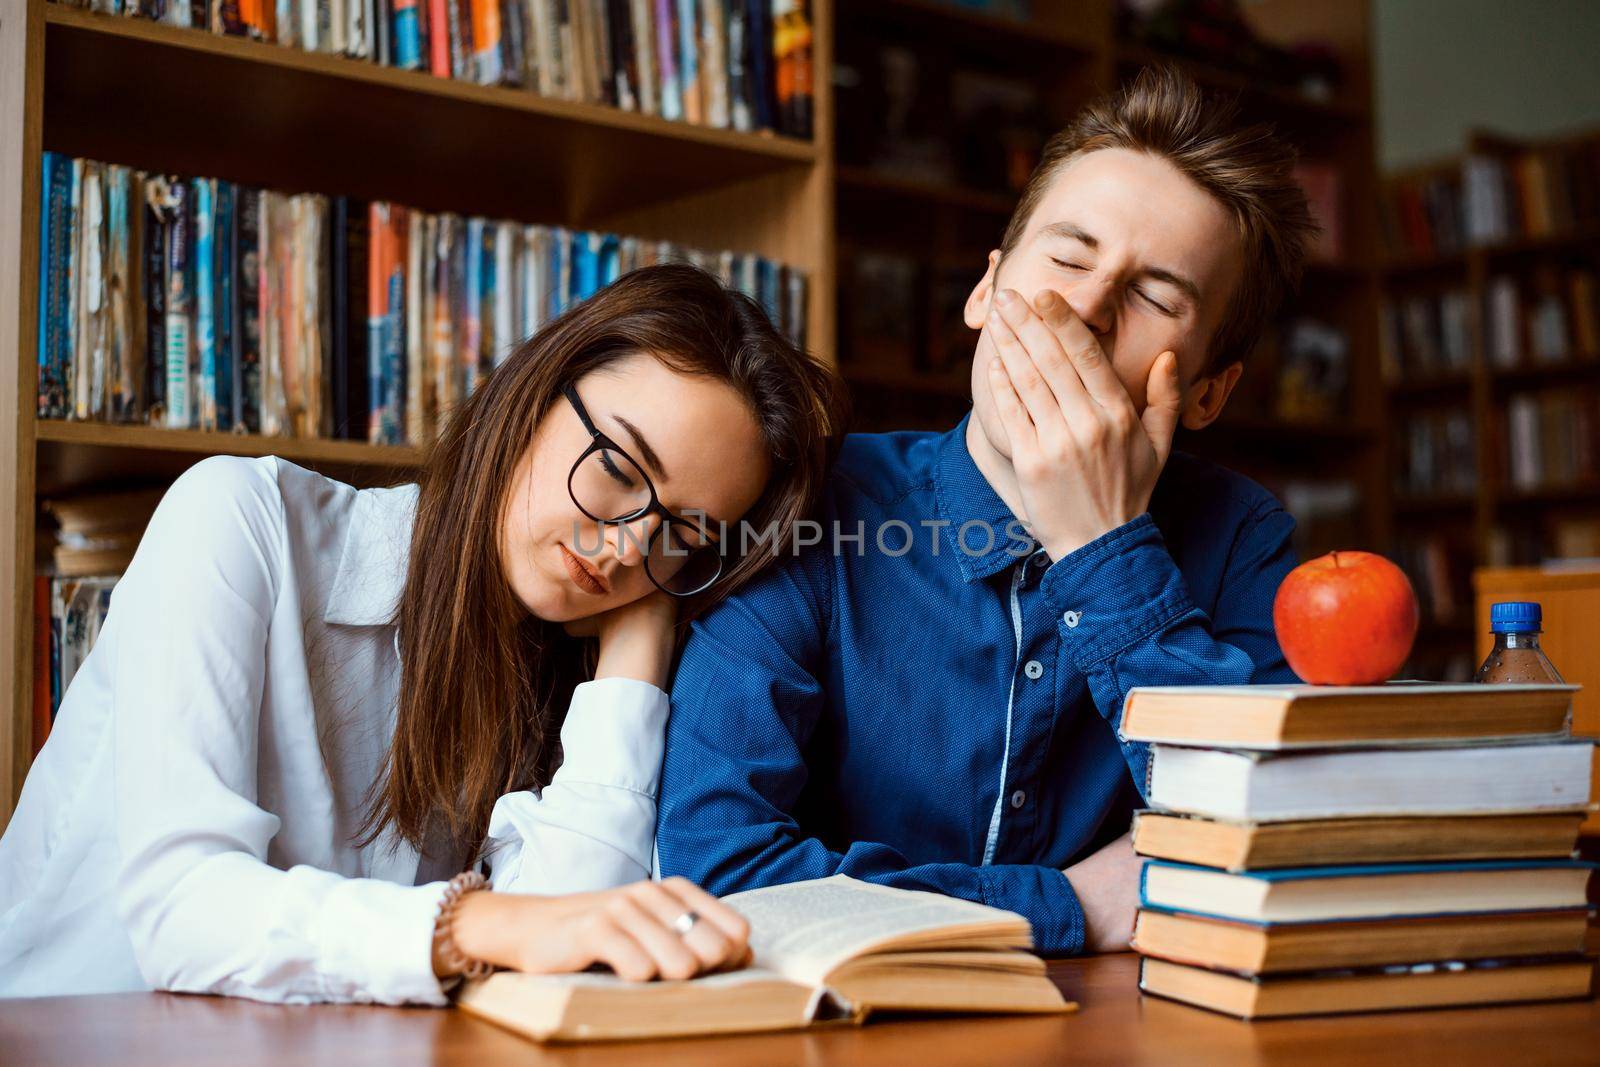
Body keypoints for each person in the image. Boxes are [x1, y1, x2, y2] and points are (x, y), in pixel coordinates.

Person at [0, 264, 847, 1003]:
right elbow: (182, 908)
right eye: (619, 469)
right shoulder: (238, 520)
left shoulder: (570, 661)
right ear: (532, 392)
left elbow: (572, 949)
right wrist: (472, 925)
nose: (628, 544)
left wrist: (637, 647)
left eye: (683, 534)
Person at [655, 68, 1316, 956]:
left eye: (1156, 296)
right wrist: (1067, 905)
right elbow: (714, 873)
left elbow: (1286, 839)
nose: (1083, 311)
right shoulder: (809, 501)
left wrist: (1100, 543)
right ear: (986, 291)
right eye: (1068, 257)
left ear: (1206, 393)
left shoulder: (1242, 538)